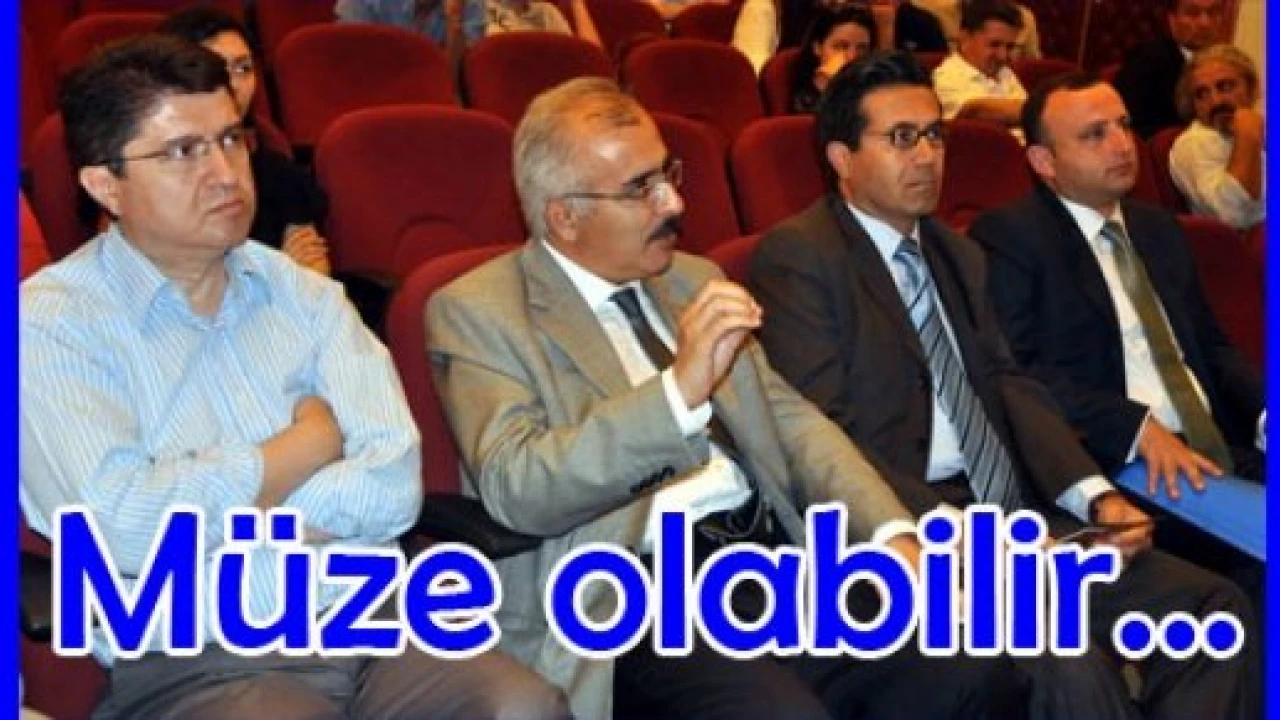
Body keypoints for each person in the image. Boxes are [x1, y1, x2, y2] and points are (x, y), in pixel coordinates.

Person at [427, 76, 1024, 720]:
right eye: (640, 188)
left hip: (773, 556)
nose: (674, 202)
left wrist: (889, 532)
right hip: (637, 592)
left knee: (975, 667)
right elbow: (518, 486)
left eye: (668, 174)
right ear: (564, 217)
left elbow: (794, 424)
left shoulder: (693, 278)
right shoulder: (480, 311)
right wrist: (676, 394)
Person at [20, 34, 569, 720]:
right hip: (199, 654)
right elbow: (123, 529)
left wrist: (231, 520)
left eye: (231, 140)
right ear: (105, 185)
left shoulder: (304, 294)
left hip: (368, 617)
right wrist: (305, 448)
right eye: (184, 152)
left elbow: (393, 481)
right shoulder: (52, 324)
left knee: (522, 705)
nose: (225, 173)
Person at [748, 51, 1260, 720]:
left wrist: (1095, 497)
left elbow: (1011, 386)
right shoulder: (801, 257)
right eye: (901, 137)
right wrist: (962, 533)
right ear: (842, 157)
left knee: (1213, 609)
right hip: (907, 527)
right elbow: (826, 437)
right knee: (1063, 654)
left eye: (934, 134)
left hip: (1019, 516)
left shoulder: (956, 252)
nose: (927, 155)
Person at [968, 75, 1265, 594]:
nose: (1122, 144)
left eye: (1124, 126)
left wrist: (1265, 411)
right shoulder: (1011, 236)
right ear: (1043, 161)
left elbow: (1211, 346)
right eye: (1094, 134)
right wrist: (1136, 428)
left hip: (1218, 447)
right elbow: (1021, 374)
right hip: (1124, 460)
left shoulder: (1157, 228)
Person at [159, 6, 330, 275]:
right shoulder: (150, 172)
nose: (235, 84)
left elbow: (313, 275)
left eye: (244, 68)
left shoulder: (279, 175)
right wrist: (277, 273)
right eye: (216, 68)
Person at [1169, 44, 1264, 230]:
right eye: (1202, 94)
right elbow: (1234, 215)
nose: (1216, 101)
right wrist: (1248, 137)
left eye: (1226, 87)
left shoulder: (1255, 125)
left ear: (1251, 88)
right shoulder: (1194, 143)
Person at [1113, 0, 1224, 139]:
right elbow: (1129, 126)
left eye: (1213, 13)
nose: (1205, 23)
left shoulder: (1224, 65)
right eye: (1193, 13)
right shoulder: (1146, 62)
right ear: (1172, 19)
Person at [932, 0, 1026, 136]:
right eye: (994, 45)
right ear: (964, 39)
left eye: (1010, 47)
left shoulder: (1005, 72)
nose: (1003, 55)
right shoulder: (946, 78)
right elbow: (976, 111)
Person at [790, 3, 878, 113]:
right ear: (817, 47)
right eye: (841, 47)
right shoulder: (800, 96)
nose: (852, 57)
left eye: (862, 48)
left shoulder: (875, 89)